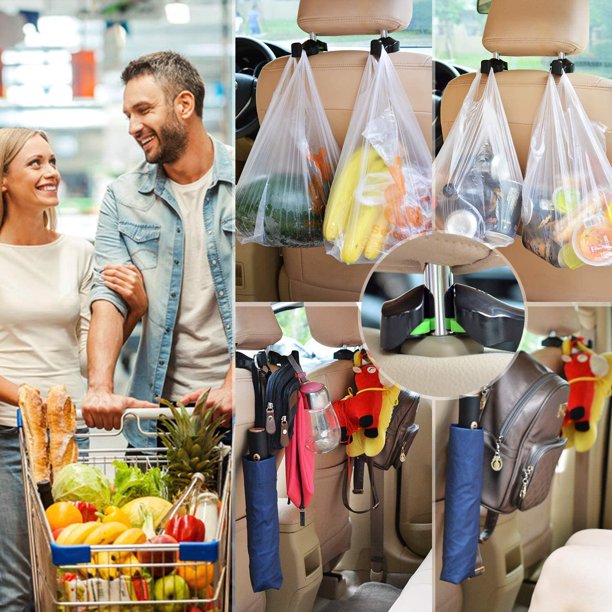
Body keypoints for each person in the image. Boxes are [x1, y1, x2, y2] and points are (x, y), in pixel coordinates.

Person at [0, 128, 147, 609]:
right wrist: (31, 401)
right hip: (6, 437)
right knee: (17, 586)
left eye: (52, 161)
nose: (51, 173)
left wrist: (136, 311)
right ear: (4, 180)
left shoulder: (79, 252)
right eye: (35, 164)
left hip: (67, 437)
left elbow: (90, 357)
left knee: (71, 574)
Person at [82, 51, 234, 449]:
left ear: (184, 105)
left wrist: (237, 384)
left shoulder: (246, 181)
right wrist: (100, 387)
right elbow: (108, 297)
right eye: (128, 115)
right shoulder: (123, 197)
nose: (133, 126)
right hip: (156, 416)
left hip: (239, 409)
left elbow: (264, 295)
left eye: (143, 110)